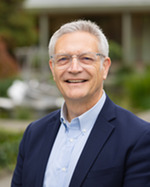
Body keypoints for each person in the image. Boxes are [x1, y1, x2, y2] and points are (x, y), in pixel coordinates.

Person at [11, 20, 150, 187]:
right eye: (63, 59)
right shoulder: (34, 134)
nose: (74, 68)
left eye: (86, 58)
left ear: (104, 67)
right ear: (52, 68)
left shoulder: (139, 137)